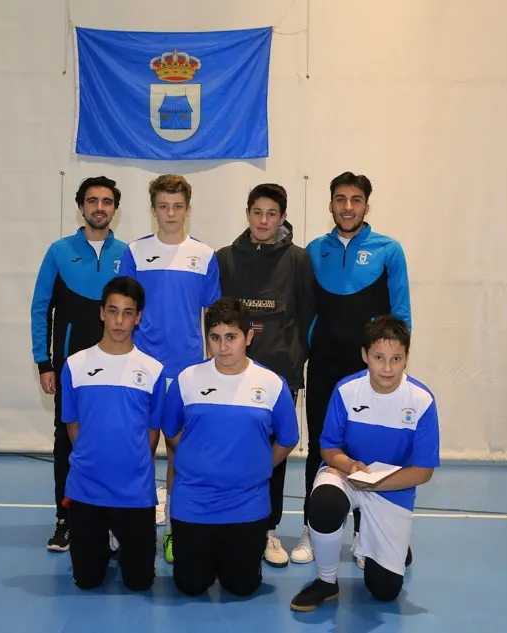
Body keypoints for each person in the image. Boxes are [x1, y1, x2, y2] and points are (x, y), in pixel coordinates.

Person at [292, 171, 412, 568]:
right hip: (323, 366)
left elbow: (401, 313)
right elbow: (305, 309)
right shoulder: (314, 250)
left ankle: (365, 534)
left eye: (355, 200)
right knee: (320, 448)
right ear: (330, 205)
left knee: (366, 451)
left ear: (366, 205)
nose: (347, 207)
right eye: (340, 199)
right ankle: (312, 528)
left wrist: (391, 369)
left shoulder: (388, 250)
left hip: (368, 373)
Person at [289, 316, 438, 611]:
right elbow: (328, 448)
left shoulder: (421, 400)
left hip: (392, 488)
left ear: (407, 358)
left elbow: (423, 471)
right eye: (379, 357)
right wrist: (350, 466)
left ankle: (387, 547)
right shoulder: (346, 391)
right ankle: (326, 582)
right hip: (347, 474)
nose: (387, 367)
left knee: (384, 590)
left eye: (396, 359)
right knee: (325, 502)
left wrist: (376, 483)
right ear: (364, 355)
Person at [162, 297, 299, 597]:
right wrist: (198, 458)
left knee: (241, 587)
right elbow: (171, 431)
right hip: (194, 503)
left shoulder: (272, 384)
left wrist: (260, 466)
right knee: (191, 586)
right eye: (215, 337)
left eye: (231, 337)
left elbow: (288, 439)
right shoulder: (187, 380)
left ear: (248, 337)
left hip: (247, 505)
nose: (223, 347)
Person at [119, 174, 221, 564]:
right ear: (153, 209)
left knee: (181, 454)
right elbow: (123, 313)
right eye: (163, 206)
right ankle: (133, 529)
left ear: (188, 209)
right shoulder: (134, 253)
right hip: (142, 374)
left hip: (187, 374)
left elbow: (213, 319)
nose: (171, 213)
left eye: (178, 206)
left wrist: (211, 368)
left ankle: (175, 530)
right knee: (138, 452)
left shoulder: (205, 256)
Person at [215, 183, 314, 567]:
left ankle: (268, 530)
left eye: (272, 214)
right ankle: (228, 522)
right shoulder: (225, 259)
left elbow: (308, 316)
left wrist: (294, 359)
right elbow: (216, 316)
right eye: (257, 212)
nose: (263, 220)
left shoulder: (299, 261)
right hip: (230, 373)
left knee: (274, 454)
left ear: (283, 217)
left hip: (279, 376)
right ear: (247, 213)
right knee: (230, 448)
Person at [30, 176, 127, 552]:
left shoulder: (128, 255)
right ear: (81, 207)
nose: (99, 207)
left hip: (118, 369)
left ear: (115, 208)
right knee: (67, 443)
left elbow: (137, 313)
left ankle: (113, 520)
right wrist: (44, 362)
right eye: (92, 201)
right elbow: (41, 308)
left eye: (106, 201)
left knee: (115, 439)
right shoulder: (59, 252)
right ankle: (65, 519)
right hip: (71, 370)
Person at [59, 276, 167, 591]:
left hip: (134, 492)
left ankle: (119, 538)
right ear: (102, 313)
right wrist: (93, 460)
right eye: (113, 311)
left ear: (139, 317)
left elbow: (152, 431)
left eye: (128, 313)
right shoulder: (75, 365)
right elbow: (73, 425)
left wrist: (130, 463)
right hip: (87, 489)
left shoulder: (153, 370)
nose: (119, 321)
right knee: (87, 581)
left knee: (140, 582)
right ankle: (102, 537)